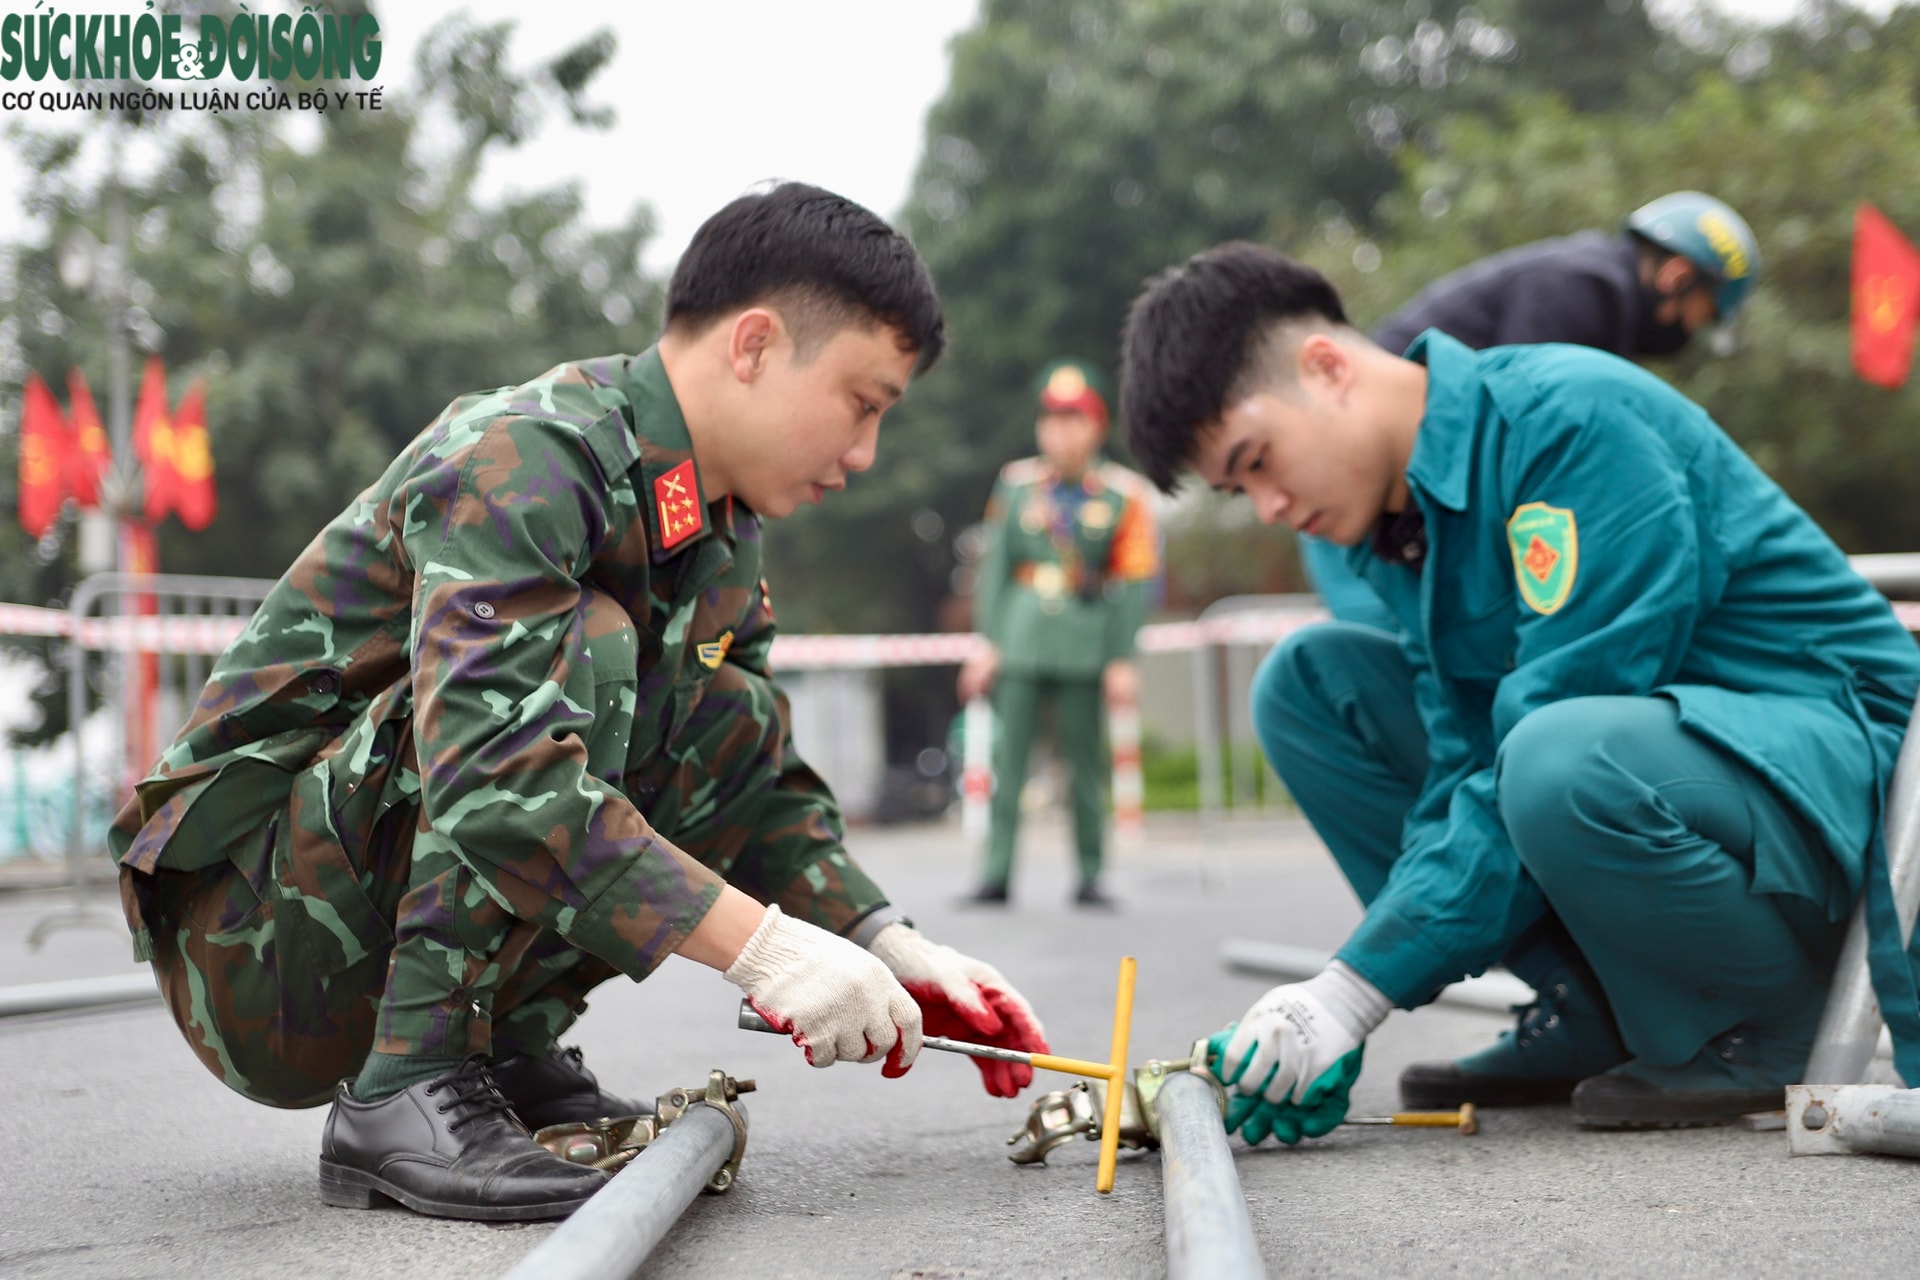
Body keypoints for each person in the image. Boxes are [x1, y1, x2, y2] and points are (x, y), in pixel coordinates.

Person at [108, 183, 1050, 1222]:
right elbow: (491, 768)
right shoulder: (530, 456)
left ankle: (498, 1050)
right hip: (250, 944)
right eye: (863, 403)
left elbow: (753, 781)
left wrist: (889, 944)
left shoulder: (717, 532)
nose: (866, 453)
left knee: (714, 707)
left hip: (335, 907)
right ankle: (406, 1081)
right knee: (595, 654)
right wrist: (767, 951)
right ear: (754, 345)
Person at [1118, 241, 1920, 1139]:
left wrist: (1355, 991)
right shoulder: (1400, 528)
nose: (1265, 505)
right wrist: (1329, 998)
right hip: (1681, 778)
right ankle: (1592, 1011)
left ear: (1328, 366)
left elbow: (1546, 729)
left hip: (1852, 782)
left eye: (1257, 459)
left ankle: (1772, 1020)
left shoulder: (1571, 421)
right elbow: (1459, 759)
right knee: (1310, 686)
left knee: (1553, 759)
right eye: (1237, 489)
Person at [1300, 191, 1763, 630]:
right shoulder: (1579, 289)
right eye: (1700, 313)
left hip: (1401, 501)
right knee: (1392, 662)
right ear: (1675, 276)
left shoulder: (1601, 298)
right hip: (1359, 481)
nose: (1690, 330)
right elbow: (1525, 432)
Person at [955, 361, 1159, 908]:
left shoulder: (1123, 495)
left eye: (1073, 420)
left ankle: (1091, 873)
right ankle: (996, 874)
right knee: (1008, 759)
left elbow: (1134, 582)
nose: (1060, 432)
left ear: (1096, 425)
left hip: (1084, 642)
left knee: (1085, 764)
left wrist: (1122, 657)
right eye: (1051, 420)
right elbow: (995, 569)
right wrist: (987, 644)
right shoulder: (1017, 484)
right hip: (1020, 637)